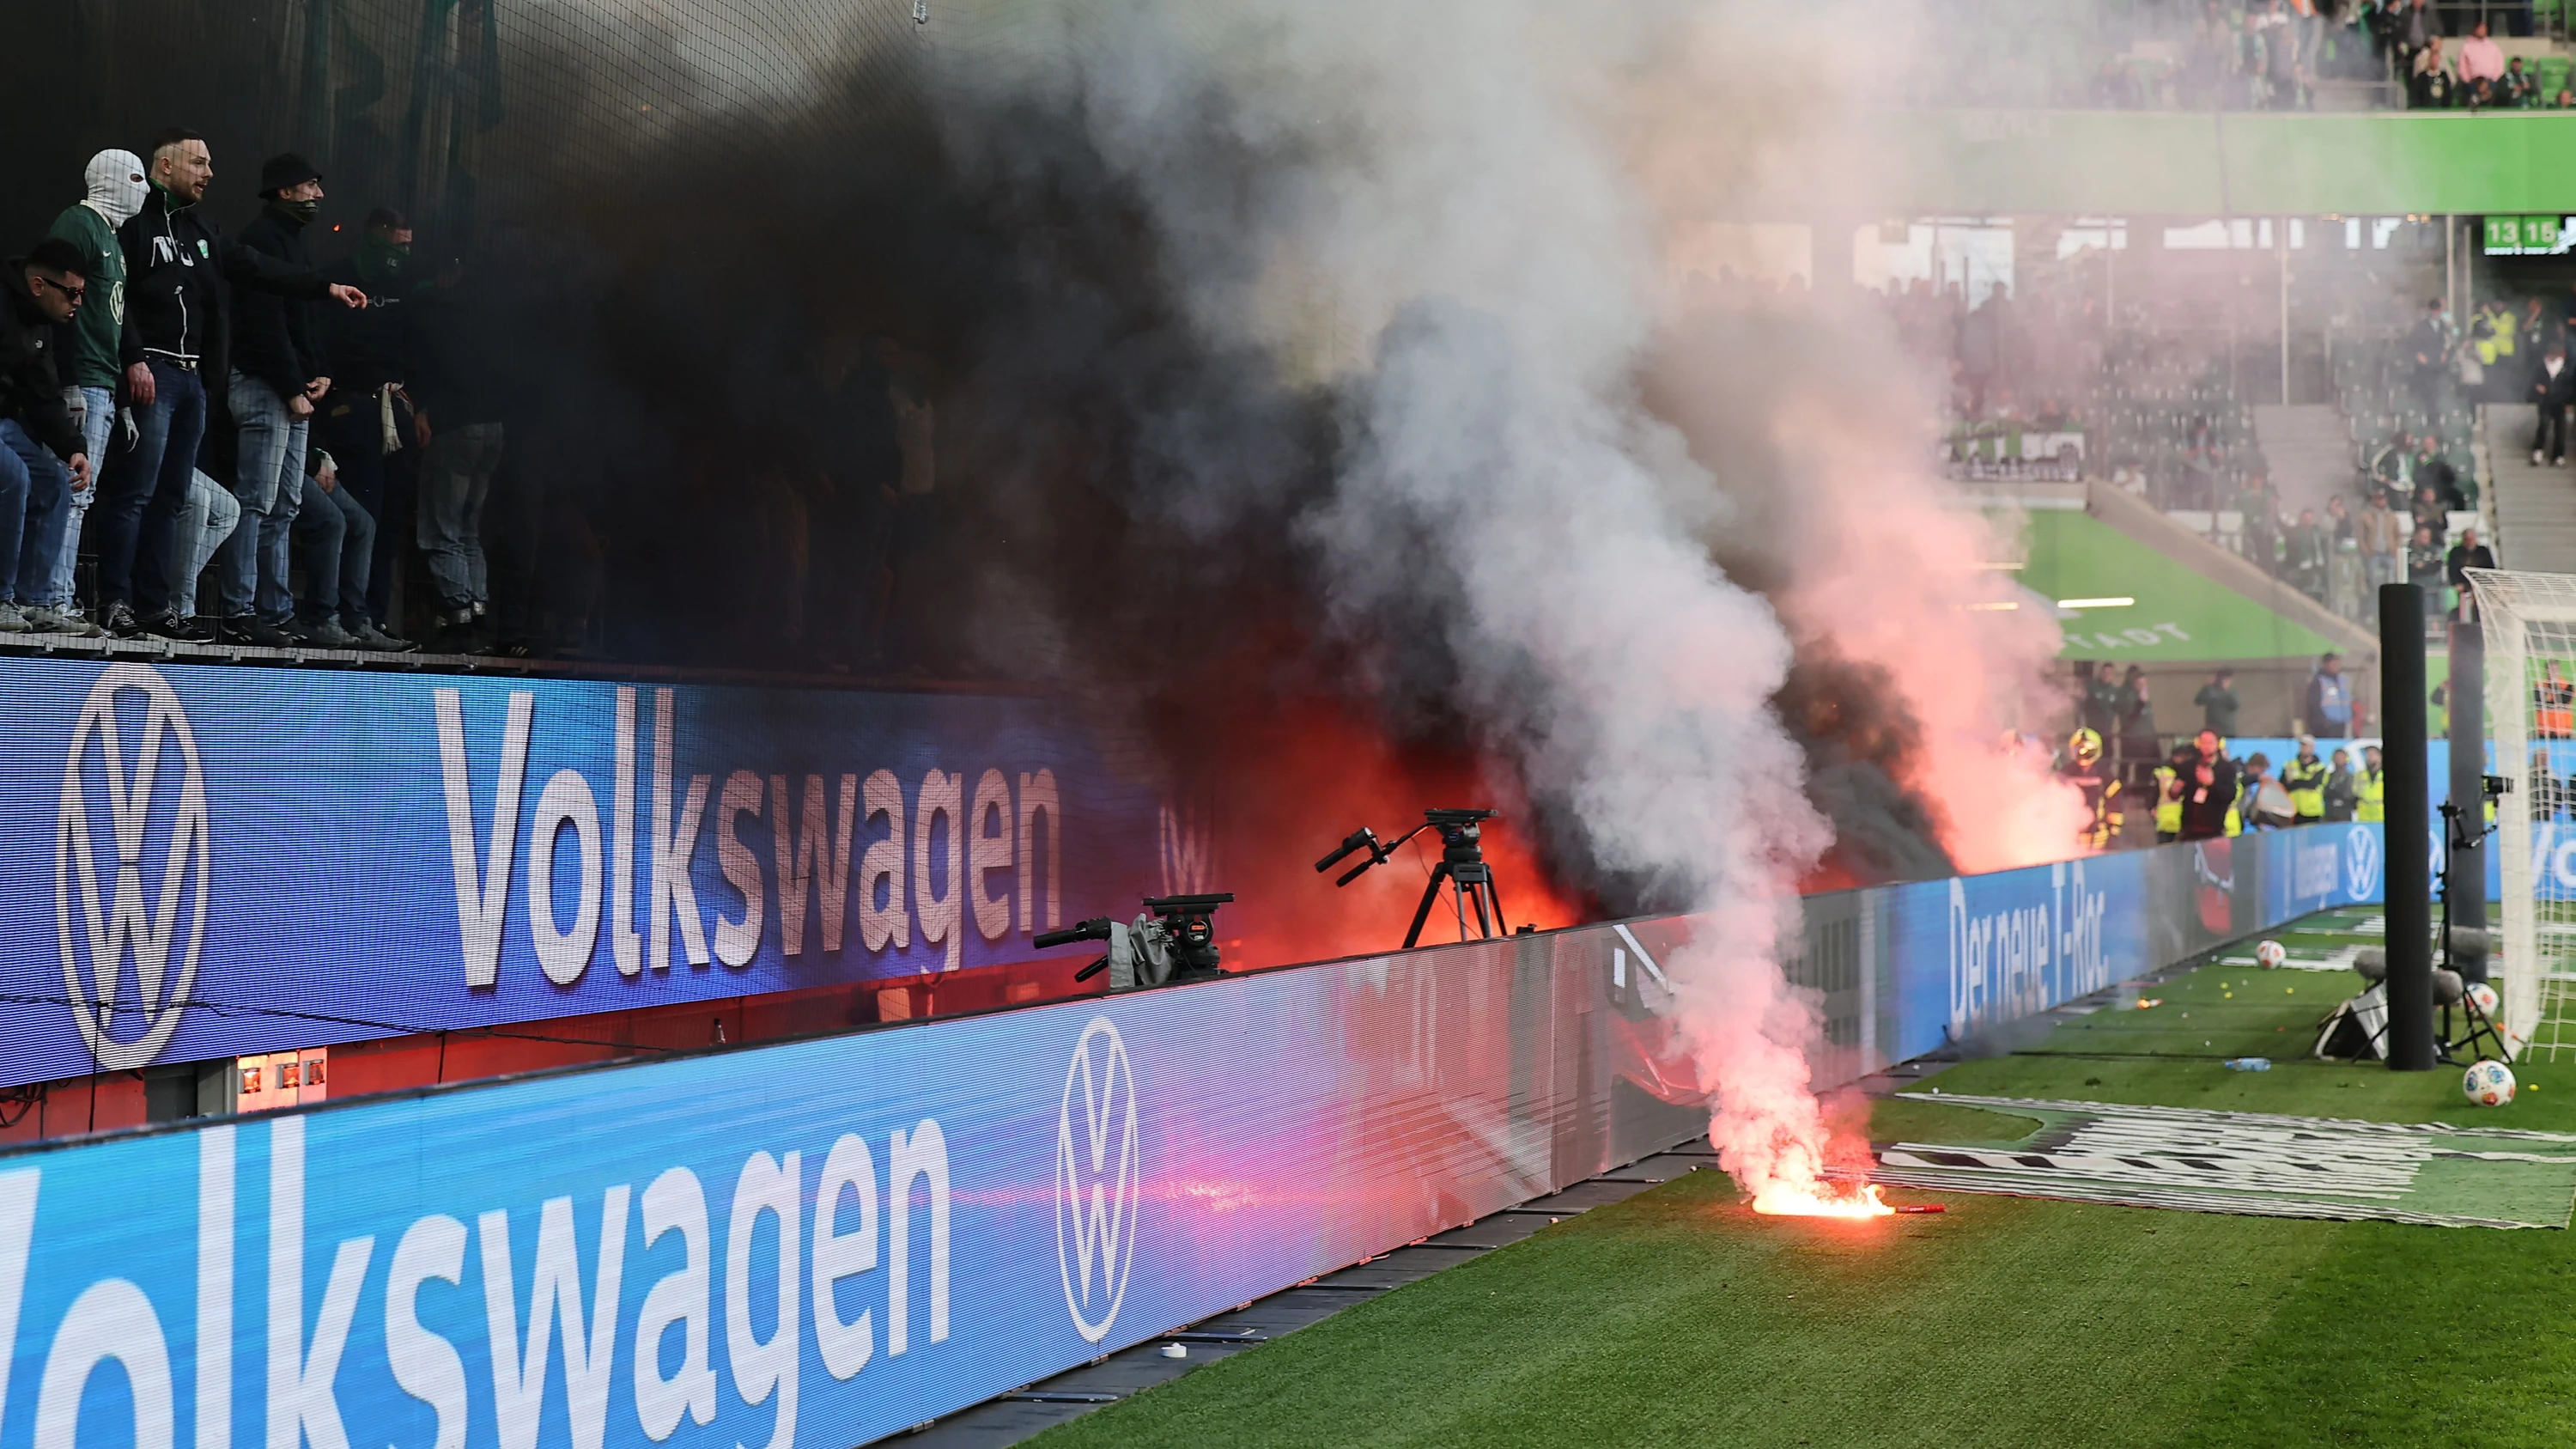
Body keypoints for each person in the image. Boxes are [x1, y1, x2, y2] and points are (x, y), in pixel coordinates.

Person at [88, 129, 365, 640]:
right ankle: (113, 602)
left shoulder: (202, 229)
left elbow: (258, 269)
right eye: (198, 163)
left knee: (172, 497)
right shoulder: (134, 223)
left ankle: (154, 609)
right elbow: (113, 295)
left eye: (210, 164)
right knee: (135, 493)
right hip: (152, 371)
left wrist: (326, 288)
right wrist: (132, 358)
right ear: (164, 167)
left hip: (192, 381)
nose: (209, 173)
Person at [223, 154, 396, 648]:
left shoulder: (293, 244)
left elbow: (301, 322)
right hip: (265, 387)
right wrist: (289, 386)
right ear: (284, 191)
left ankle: (274, 613)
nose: (320, 195)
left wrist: (318, 371)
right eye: (311, 186)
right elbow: (263, 324)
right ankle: (240, 611)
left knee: (285, 504)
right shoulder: (260, 240)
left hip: (290, 389)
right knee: (256, 502)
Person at [39, 149, 149, 636]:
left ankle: (57, 597)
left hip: (105, 382)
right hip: (83, 378)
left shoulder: (113, 237)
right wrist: (67, 382)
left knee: (82, 495)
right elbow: (56, 303)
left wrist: (122, 401)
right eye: (135, 177)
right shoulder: (78, 223)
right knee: (70, 491)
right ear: (107, 180)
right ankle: (52, 599)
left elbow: (113, 318)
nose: (143, 188)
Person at [316, 208, 422, 636]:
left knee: (392, 518)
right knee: (364, 514)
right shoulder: (337, 276)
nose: (405, 250)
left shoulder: (408, 285)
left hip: (397, 406)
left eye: (409, 243)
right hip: (354, 408)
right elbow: (321, 341)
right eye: (399, 241)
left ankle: (374, 616)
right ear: (378, 232)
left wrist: (421, 404)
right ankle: (347, 614)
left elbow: (420, 344)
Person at [411, 254, 507, 649]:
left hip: (456, 429)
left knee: (443, 526)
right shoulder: (493, 317)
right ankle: (478, 612)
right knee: (468, 529)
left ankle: (459, 617)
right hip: (493, 430)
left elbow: (434, 367)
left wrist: (424, 409)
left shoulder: (445, 315)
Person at [0, 240, 95, 633]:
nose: (77, 303)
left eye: (83, 294)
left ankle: (34, 602)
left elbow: (44, 393)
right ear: (39, 285)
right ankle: (1, 599)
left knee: (54, 482)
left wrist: (75, 447)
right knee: (14, 476)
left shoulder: (41, 323)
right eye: (71, 293)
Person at [2063, 728, 2123, 850]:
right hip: (2071, 838)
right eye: (2079, 749)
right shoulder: (2065, 775)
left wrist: (2114, 833)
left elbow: (2115, 806)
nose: (2083, 752)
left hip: (2100, 838)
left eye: (2088, 749)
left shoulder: (2106, 777)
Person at [2176, 729, 2242, 841]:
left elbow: (2229, 795)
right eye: (2203, 742)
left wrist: (2212, 784)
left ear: (2218, 744)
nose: (2206, 746)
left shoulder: (2227, 768)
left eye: (2210, 743)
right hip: (2189, 828)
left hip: (2214, 828)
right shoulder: (2187, 766)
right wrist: (2174, 790)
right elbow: (2180, 792)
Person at [2409, 296, 2451, 427]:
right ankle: (2427, 421)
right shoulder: (2420, 326)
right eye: (2434, 310)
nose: (2436, 313)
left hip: (2439, 367)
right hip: (2425, 368)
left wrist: (2446, 353)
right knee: (2427, 394)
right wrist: (2418, 355)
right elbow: (2411, 343)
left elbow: (2450, 343)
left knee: (2439, 394)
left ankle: (2437, 421)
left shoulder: (2444, 327)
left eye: (2438, 310)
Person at [2533, 339, 2574, 466]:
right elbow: (2533, 380)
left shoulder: (2566, 369)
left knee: (2561, 429)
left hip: (2561, 402)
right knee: (2544, 424)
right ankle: (2538, 450)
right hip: (2545, 401)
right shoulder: (2541, 365)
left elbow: (2571, 387)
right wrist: (2537, 387)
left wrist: (2570, 403)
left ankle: (2558, 455)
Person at [2356, 487, 2404, 594]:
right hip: (2373, 554)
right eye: (2378, 499)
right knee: (2373, 581)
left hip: (2389, 552)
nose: (2380, 501)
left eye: (2382, 498)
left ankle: (2390, 599)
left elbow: (2399, 535)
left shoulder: (2392, 516)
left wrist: (2396, 548)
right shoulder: (2365, 516)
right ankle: (2374, 599)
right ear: (2373, 500)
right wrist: (2366, 551)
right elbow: (2360, 537)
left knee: (2392, 579)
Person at [2113, 663, 2156, 775]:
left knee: (2143, 767)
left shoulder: (2144, 696)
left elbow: (2148, 718)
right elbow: (2130, 717)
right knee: (2126, 765)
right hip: (2131, 736)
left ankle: (2141, 789)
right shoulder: (2125, 695)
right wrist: (2140, 703)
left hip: (2146, 737)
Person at [2303, 651, 2354, 736]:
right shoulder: (2319, 681)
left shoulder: (2343, 680)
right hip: (2326, 725)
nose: (2336, 666)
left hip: (2342, 723)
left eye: (2337, 663)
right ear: (2326, 664)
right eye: (2333, 663)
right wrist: (2321, 722)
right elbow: (2314, 704)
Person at [2282, 735, 2330, 825]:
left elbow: (2313, 784)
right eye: (2302, 746)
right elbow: (2284, 785)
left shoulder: (2319, 768)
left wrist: (2295, 782)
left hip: (2312, 812)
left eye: (2306, 746)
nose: (2303, 748)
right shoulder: (2290, 765)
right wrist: (2299, 783)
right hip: (2293, 811)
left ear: (2312, 748)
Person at [2285, 506, 2329, 600]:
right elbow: (2291, 552)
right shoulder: (2294, 533)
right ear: (2301, 519)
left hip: (2317, 566)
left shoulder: (2318, 533)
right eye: (2305, 519)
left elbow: (2322, 549)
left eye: (2310, 519)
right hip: (2301, 567)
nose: (2308, 521)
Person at [2195, 667, 2242, 737]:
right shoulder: (2209, 689)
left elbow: (2235, 705)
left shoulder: (2233, 692)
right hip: (2212, 729)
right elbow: (2198, 701)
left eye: (2226, 679)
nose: (2223, 681)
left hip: (2228, 731)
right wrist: (2209, 688)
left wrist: (2225, 690)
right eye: (2221, 678)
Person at [2152, 749, 2186, 843]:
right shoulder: (2184, 773)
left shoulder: (2162, 773)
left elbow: (2153, 793)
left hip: (2164, 819)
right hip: (2179, 819)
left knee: (2165, 851)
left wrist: (2152, 807)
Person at [2324, 746, 2359, 822]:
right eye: (2337, 757)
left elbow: (2350, 795)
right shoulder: (2328, 776)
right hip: (2329, 813)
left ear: (2346, 759)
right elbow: (2324, 792)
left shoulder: (2351, 777)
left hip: (2344, 814)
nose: (2339, 760)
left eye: (2341, 757)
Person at [2356, 743, 2387, 823]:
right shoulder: (2360, 774)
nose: (2369, 757)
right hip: (2364, 814)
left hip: (2381, 814)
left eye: (2372, 754)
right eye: (2368, 754)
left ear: (2380, 756)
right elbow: (2355, 791)